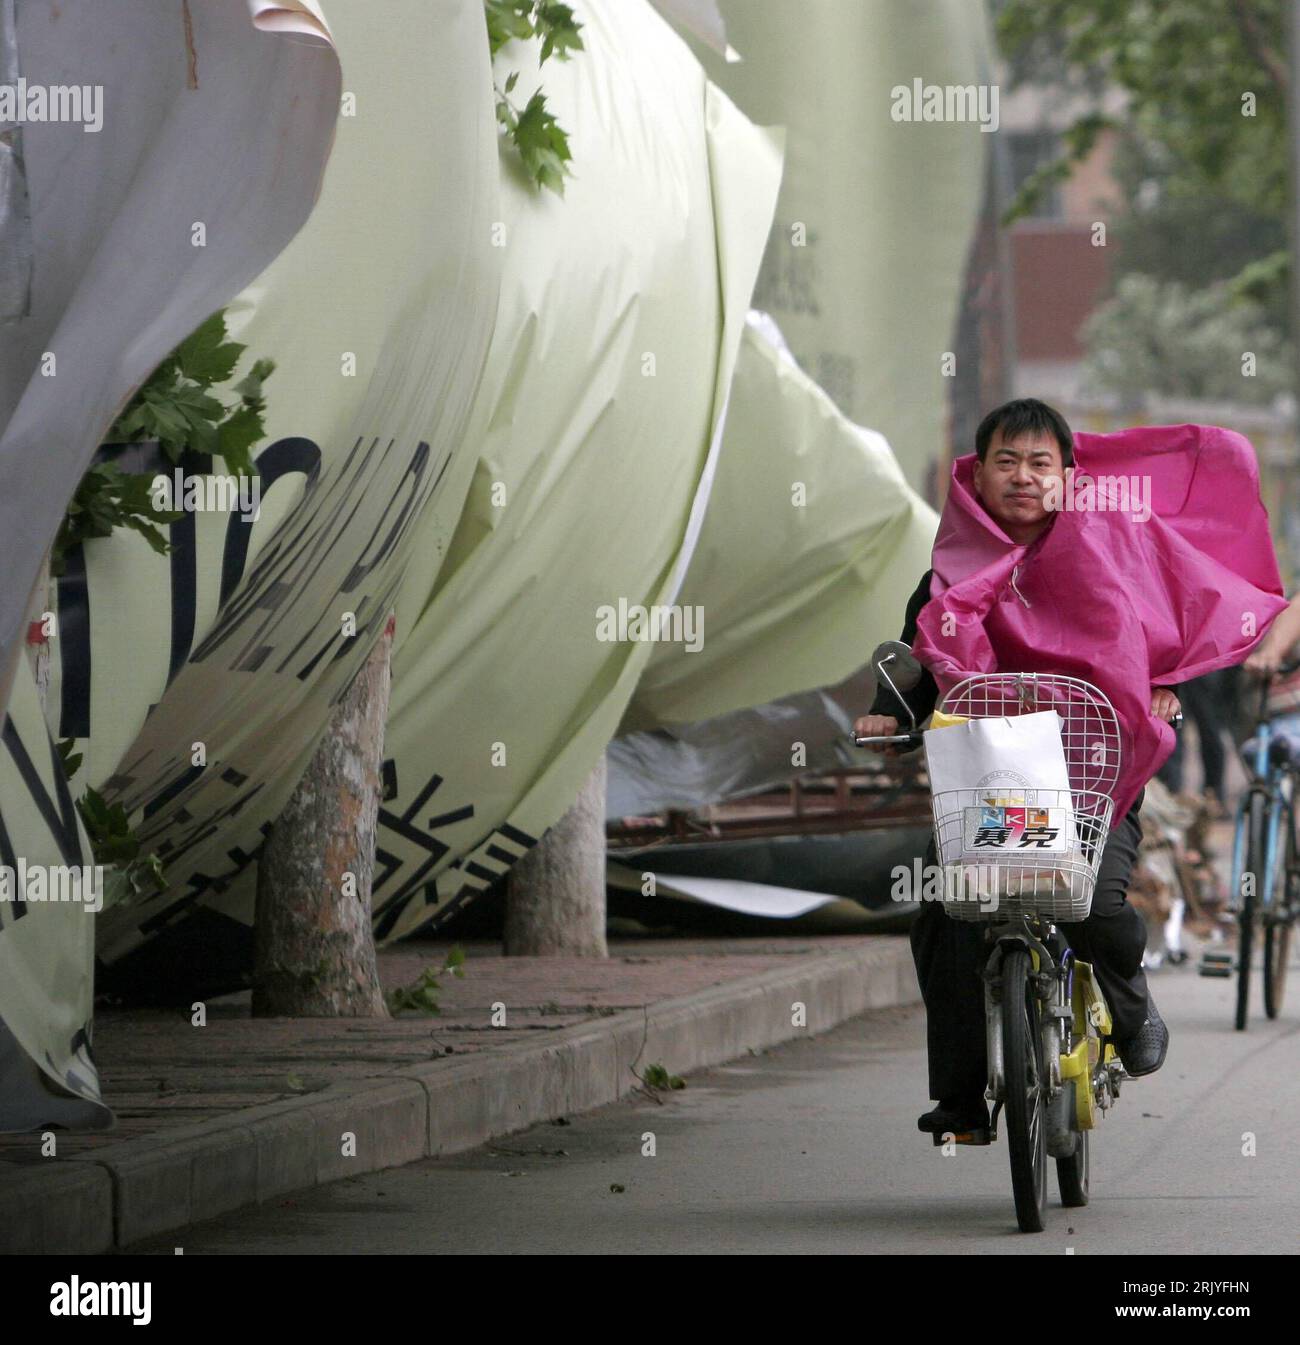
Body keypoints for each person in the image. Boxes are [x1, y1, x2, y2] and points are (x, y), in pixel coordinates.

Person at [853, 398, 1182, 1140]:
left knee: (1094, 904)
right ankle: (963, 1098)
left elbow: (1164, 640)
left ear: (1068, 476)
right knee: (945, 912)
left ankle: (1132, 1011)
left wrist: (1165, 690)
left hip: (1094, 782)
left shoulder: (1114, 553)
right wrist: (889, 712)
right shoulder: (949, 568)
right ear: (982, 472)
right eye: (1007, 461)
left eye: (1040, 463)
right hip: (991, 790)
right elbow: (919, 654)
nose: (1023, 477)